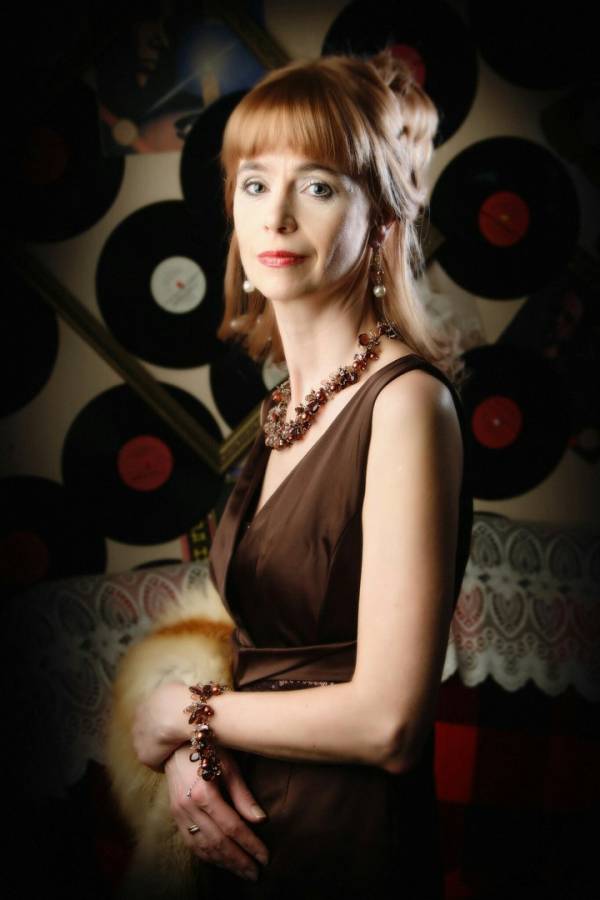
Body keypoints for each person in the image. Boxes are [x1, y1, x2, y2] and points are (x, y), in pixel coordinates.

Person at [116, 48, 474, 899]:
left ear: (380, 218)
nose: (275, 215)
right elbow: (265, 664)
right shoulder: (285, 408)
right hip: (248, 836)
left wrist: (181, 715)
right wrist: (193, 753)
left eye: (316, 185)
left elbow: (388, 724)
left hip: (346, 848)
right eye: (254, 183)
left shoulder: (405, 403)